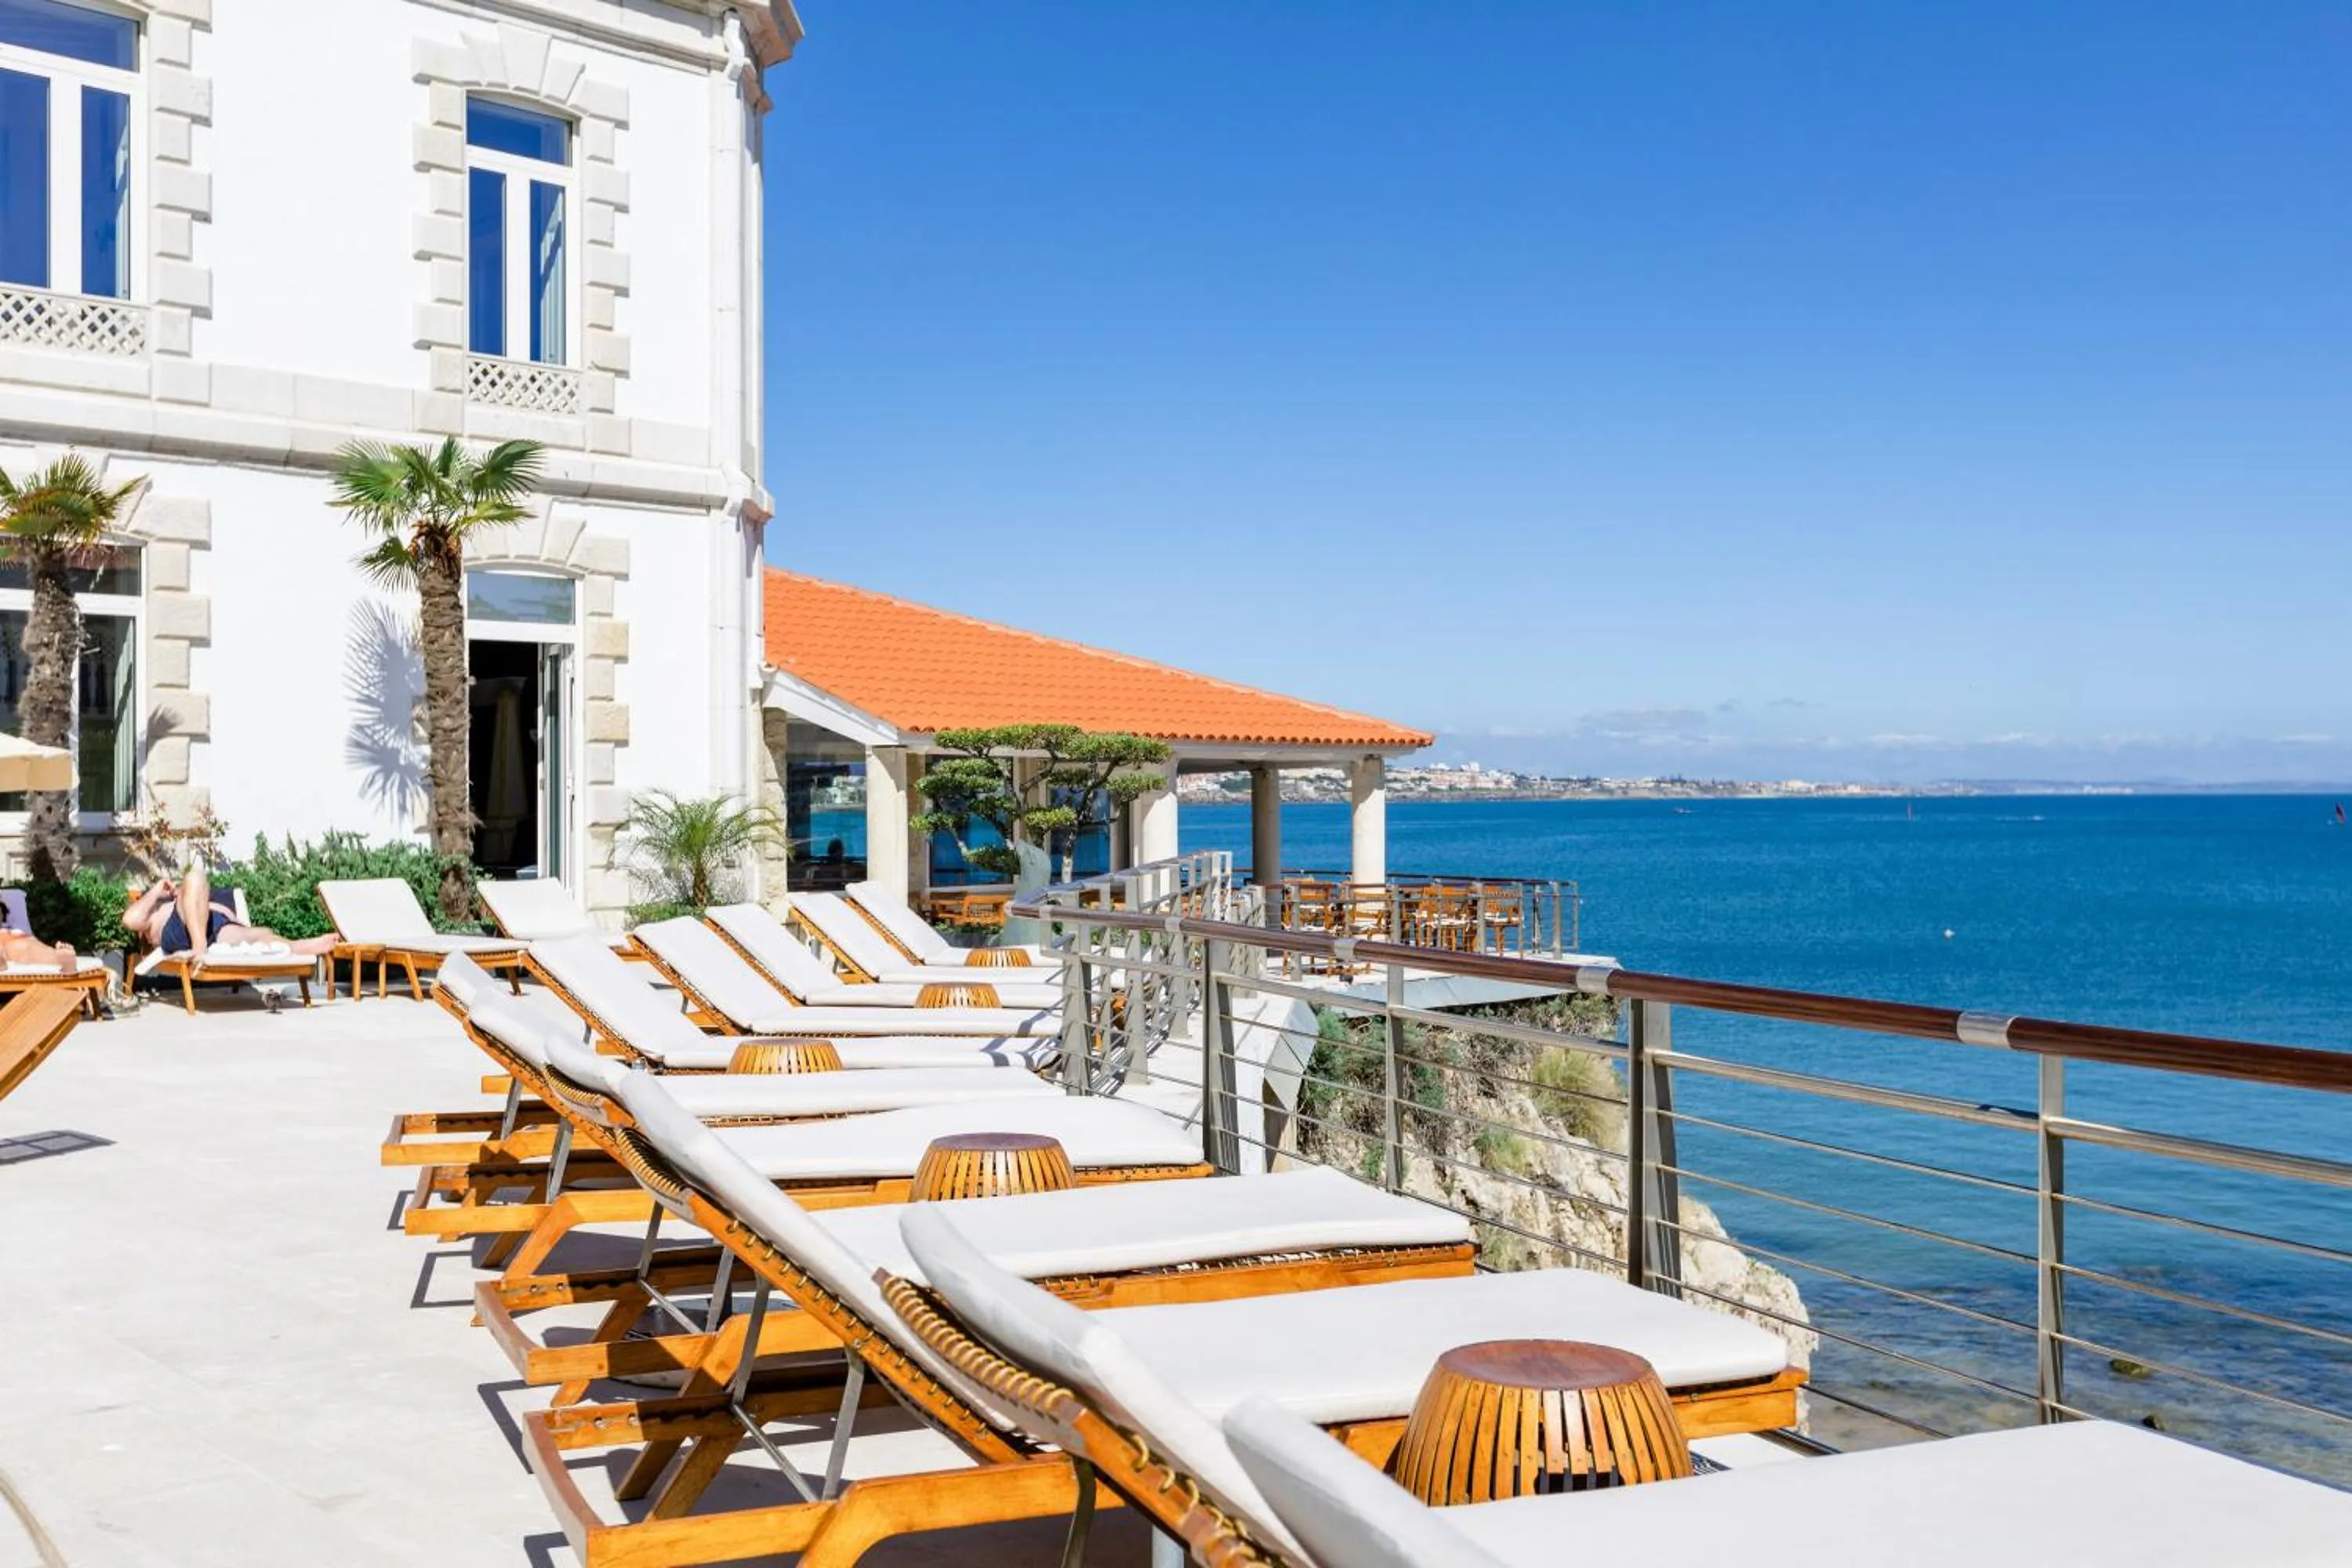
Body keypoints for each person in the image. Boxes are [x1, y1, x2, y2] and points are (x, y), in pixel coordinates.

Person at [125, 866, 338, 961]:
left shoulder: (184, 897)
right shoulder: (154, 910)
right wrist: (157, 890)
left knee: (259, 934)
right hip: (180, 932)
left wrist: (228, 917)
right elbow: (129, 920)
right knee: (196, 876)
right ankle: (199, 949)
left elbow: (207, 906)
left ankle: (299, 946)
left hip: (211, 927)